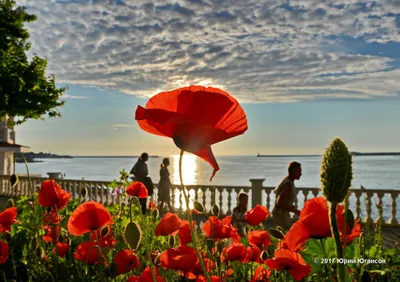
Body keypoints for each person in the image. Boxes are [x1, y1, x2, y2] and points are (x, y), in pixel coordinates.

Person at [272, 161, 302, 231]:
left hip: (282, 214)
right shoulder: (287, 184)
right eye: (299, 171)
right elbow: (280, 202)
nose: (301, 174)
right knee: (287, 235)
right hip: (281, 215)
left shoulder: (288, 181)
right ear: (293, 171)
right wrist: (294, 210)